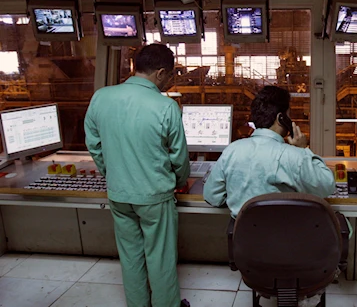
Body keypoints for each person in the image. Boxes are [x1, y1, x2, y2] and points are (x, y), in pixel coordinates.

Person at [85, 43, 190, 307]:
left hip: (119, 194)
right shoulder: (166, 107)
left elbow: (94, 143)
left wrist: (111, 172)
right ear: (161, 73)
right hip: (154, 196)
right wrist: (178, 181)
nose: (169, 81)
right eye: (170, 75)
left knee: (130, 256)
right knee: (161, 258)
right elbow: (179, 158)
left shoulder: (101, 97)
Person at [203, 85, 335, 217]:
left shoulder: (232, 150)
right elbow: (327, 186)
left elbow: (212, 196)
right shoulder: (294, 156)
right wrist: (303, 149)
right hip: (287, 235)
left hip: (245, 236)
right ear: (280, 119)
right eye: (288, 115)